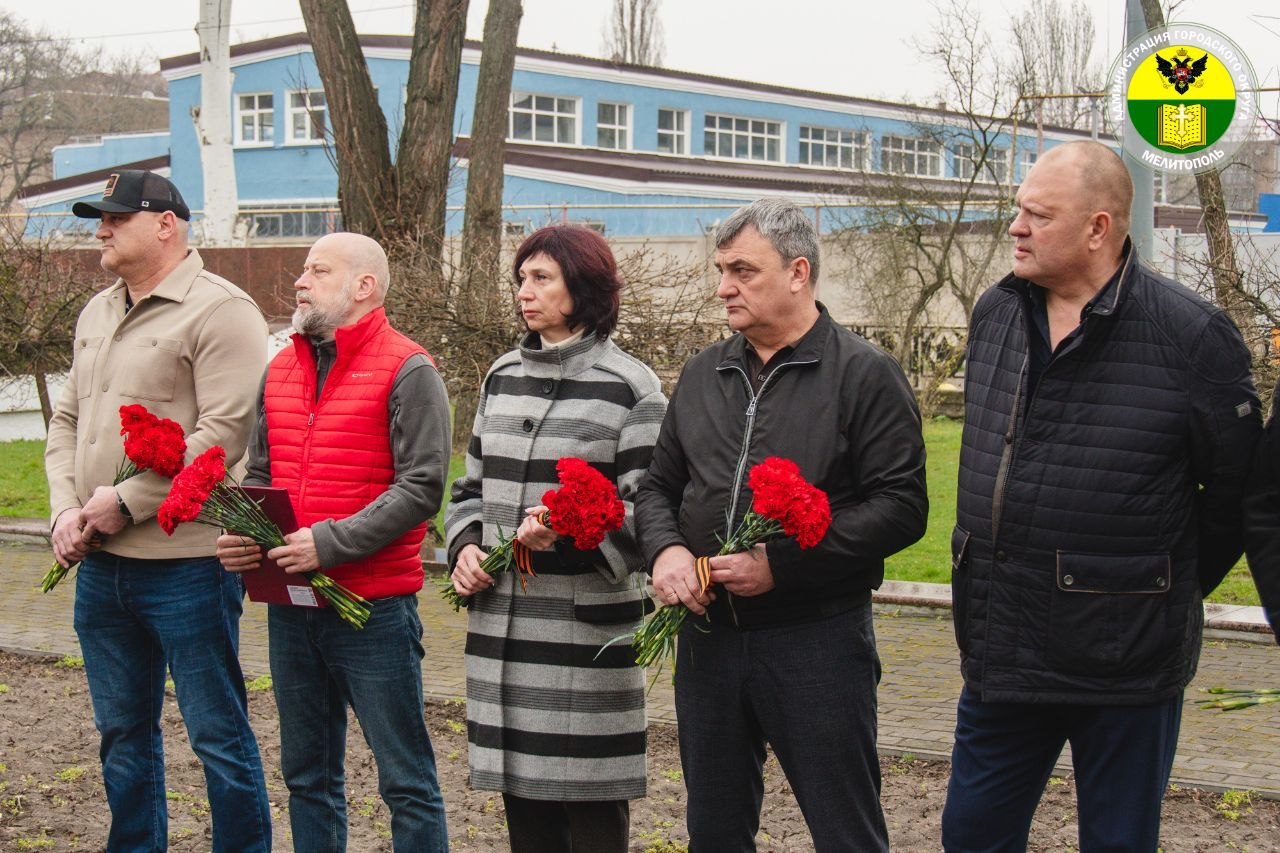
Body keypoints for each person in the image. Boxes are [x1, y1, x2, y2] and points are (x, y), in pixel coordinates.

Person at [943, 140, 1262, 851]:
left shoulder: (1194, 336)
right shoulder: (996, 312)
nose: (1016, 227)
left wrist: (1150, 590)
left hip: (1127, 668)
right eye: (1017, 210)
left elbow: (1238, 494)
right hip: (1003, 649)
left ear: (1099, 228)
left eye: (1038, 214)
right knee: (970, 836)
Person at [634, 198, 928, 851]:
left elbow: (903, 506)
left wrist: (785, 565)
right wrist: (665, 553)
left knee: (845, 830)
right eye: (721, 269)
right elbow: (659, 486)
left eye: (743, 270)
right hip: (707, 641)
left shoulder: (863, 375)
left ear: (799, 272)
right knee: (712, 831)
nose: (723, 287)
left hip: (816, 642)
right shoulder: (704, 372)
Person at [45, 169, 272, 851]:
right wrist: (64, 509)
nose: (102, 230)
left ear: (165, 224)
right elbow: (66, 419)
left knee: (216, 735)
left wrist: (126, 501)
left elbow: (224, 433)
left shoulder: (221, 310)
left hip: (188, 567)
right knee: (121, 734)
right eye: (99, 218)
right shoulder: (96, 311)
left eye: (116, 217)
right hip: (102, 565)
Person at [215, 232, 451, 852]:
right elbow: (261, 472)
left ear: (363, 286)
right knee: (307, 777)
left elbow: (423, 487)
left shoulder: (409, 367)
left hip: (372, 609)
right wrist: (245, 533)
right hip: (292, 607)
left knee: (406, 781)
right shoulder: (282, 366)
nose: (300, 280)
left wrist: (330, 543)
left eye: (318, 270)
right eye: (303, 269)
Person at [445, 225, 667, 852]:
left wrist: (564, 536)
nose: (525, 291)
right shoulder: (500, 376)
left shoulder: (631, 388)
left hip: (582, 646)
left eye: (542, 278)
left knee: (593, 822)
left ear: (584, 286)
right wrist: (465, 548)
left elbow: (650, 514)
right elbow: (468, 490)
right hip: (504, 642)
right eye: (522, 278)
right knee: (527, 825)